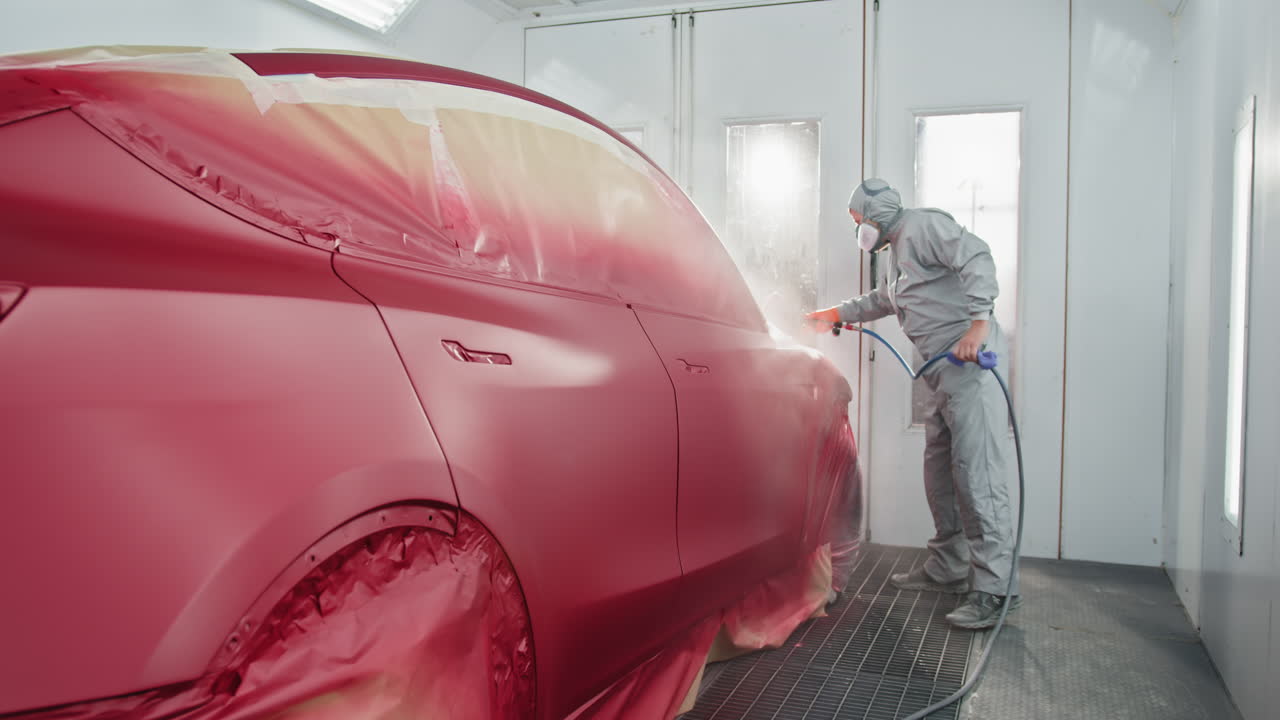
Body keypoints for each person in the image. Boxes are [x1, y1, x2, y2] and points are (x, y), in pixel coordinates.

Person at [805, 178, 1019, 630]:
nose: (858, 229)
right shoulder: (895, 254)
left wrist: (978, 325)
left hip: (969, 362)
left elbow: (977, 255)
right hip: (941, 368)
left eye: (858, 221)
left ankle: (995, 589)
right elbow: (887, 299)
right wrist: (837, 314)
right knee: (940, 470)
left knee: (977, 474)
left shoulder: (921, 227)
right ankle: (949, 566)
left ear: (877, 217)